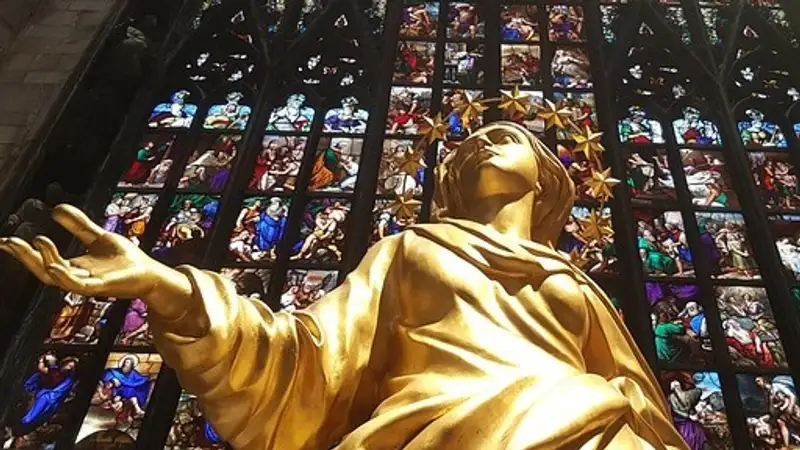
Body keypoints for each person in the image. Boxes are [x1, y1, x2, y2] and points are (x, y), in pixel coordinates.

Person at [0, 122, 689, 450]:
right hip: (440, 436)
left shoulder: (575, 281)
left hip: (592, 433)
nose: (480, 142)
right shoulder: (411, 249)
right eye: (468, 144)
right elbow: (305, 359)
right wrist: (166, 285)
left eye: (504, 137)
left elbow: (640, 398)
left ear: (548, 177)